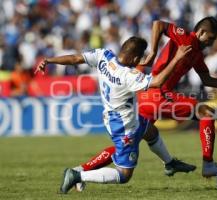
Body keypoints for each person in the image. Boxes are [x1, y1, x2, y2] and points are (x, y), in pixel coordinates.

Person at [76, 16, 217, 182]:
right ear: (200, 32)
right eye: (211, 38)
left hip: (145, 98)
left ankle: (79, 171)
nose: (211, 42)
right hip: (158, 94)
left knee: (127, 145)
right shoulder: (186, 38)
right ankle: (208, 164)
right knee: (206, 112)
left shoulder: (197, 53)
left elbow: (206, 79)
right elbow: (158, 24)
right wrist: (153, 51)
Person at [35, 36, 193, 194]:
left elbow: (76, 58)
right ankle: (77, 175)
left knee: (151, 131)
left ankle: (170, 163)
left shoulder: (104, 55)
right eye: (139, 59)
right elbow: (158, 82)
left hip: (122, 117)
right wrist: (177, 58)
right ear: (136, 58)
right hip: (124, 126)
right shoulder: (128, 75)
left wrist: (49, 60)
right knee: (124, 175)